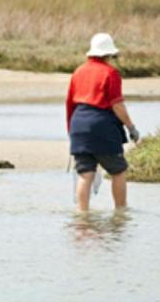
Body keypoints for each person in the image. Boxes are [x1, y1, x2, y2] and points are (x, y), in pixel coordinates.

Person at [66, 33, 139, 212]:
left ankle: (82, 213)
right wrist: (131, 127)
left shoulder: (78, 71)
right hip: (102, 125)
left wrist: (71, 131)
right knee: (118, 171)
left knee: (85, 174)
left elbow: (70, 103)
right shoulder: (110, 73)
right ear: (109, 54)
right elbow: (117, 105)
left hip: (78, 124)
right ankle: (121, 211)